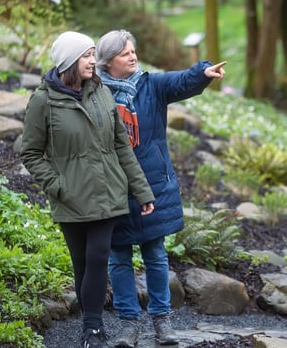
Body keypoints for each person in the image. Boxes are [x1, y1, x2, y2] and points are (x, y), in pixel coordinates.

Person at [20, 31, 156, 348]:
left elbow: (122, 146)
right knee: (81, 264)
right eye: (86, 55)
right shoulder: (43, 101)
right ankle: (89, 322)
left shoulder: (101, 92)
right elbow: (30, 153)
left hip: (108, 190)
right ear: (69, 61)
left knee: (97, 258)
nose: (93, 61)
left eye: (94, 55)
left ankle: (93, 329)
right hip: (70, 197)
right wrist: (58, 185)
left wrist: (142, 190)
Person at [95, 29, 225, 346]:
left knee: (155, 254)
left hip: (154, 187)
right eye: (125, 53)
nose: (133, 56)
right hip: (112, 187)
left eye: (133, 50)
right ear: (109, 61)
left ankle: (162, 322)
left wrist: (202, 73)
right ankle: (128, 325)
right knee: (119, 257)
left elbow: (180, 82)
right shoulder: (95, 93)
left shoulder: (151, 86)